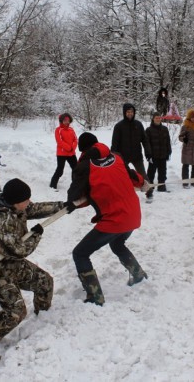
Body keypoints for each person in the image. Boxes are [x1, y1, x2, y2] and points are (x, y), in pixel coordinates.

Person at [0, 178, 65, 347]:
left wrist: (63, 206)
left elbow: (34, 209)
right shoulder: (1, 221)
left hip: (9, 262)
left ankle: (42, 320)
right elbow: (18, 251)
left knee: (44, 282)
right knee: (16, 311)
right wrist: (36, 235)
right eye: (26, 200)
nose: (29, 202)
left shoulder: (14, 206)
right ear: (15, 202)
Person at [66, 132, 150, 306]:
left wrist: (75, 201)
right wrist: (143, 182)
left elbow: (74, 197)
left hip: (114, 220)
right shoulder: (116, 157)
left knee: (80, 253)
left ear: (82, 150)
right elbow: (133, 176)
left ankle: (95, 297)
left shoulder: (84, 167)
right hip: (133, 215)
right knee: (117, 243)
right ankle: (138, 274)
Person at [111, 103, 152, 198]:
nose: (130, 113)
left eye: (132, 112)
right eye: (128, 112)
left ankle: (149, 192)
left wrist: (148, 153)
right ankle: (119, 194)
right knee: (120, 176)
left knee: (143, 175)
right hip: (123, 157)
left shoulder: (138, 124)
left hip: (137, 155)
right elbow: (115, 143)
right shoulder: (119, 126)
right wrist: (114, 156)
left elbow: (145, 140)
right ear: (124, 113)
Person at [49, 113, 78, 190]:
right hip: (61, 153)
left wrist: (73, 148)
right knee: (60, 170)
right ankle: (52, 185)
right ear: (61, 121)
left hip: (71, 153)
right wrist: (69, 148)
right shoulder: (58, 130)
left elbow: (75, 139)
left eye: (68, 120)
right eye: (65, 120)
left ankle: (76, 184)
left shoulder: (71, 129)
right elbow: (59, 141)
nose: (67, 122)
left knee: (76, 169)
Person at [145, 113, 172, 192]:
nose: (158, 119)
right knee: (151, 172)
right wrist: (148, 155)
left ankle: (161, 186)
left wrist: (169, 152)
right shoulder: (148, 130)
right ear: (153, 119)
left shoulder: (165, 129)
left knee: (163, 172)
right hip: (153, 156)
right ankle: (150, 187)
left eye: (159, 118)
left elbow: (168, 142)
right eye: (156, 118)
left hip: (163, 155)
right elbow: (147, 144)